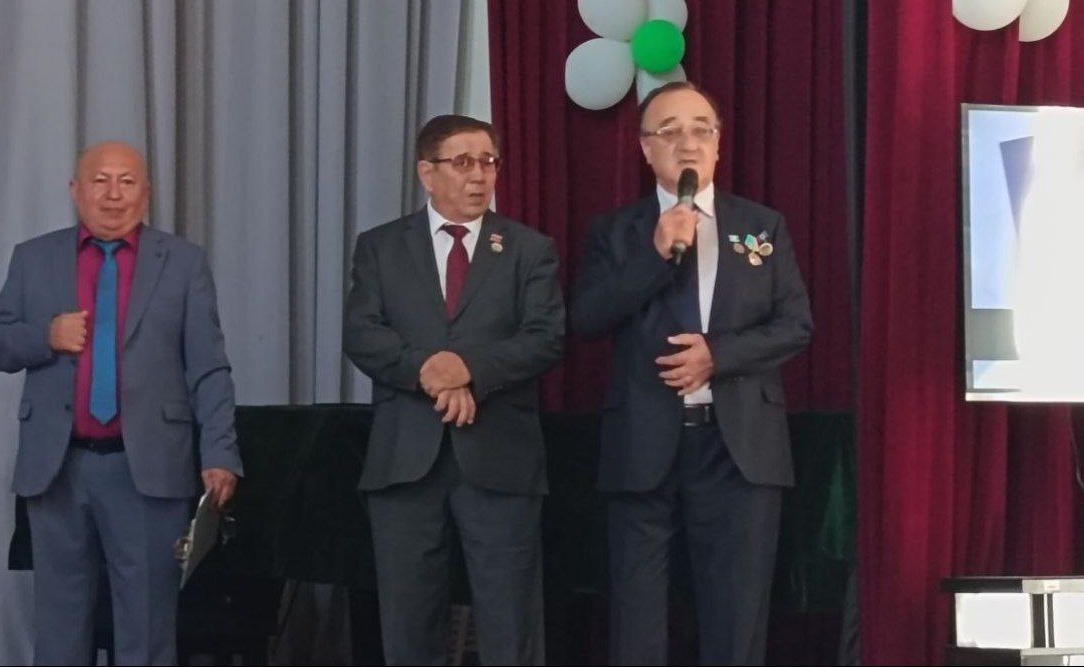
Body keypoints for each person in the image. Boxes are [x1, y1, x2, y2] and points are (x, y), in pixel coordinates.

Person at [571, 82, 812, 666]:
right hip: (643, 441)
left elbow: (796, 326)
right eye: (670, 131)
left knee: (736, 618)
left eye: (702, 129)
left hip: (738, 447)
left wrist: (717, 356)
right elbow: (586, 319)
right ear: (645, 148)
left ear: (719, 144)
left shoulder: (762, 226)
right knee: (637, 620)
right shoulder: (615, 231)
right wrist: (654, 255)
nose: (688, 143)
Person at [0, 141, 242, 666]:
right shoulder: (34, 257)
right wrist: (44, 336)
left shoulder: (183, 262)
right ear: (76, 190)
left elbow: (209, 368)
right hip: (58, 468)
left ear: (146, 193)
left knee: (147, 626)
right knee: (59, 627)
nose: (114, 194)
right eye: (101, 180)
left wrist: (220, 452)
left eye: (127, 181)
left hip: (147, 468)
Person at [343, 114, 565, 665]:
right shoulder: (381, 247)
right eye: (463, 162)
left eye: (488, 162)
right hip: (405, 462)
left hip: (500, 461)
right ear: (427, 172)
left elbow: (545, 337)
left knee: (509, 622)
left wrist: (468, 369)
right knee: (409, 623)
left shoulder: (528, 248)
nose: (479, 175)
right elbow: (362, 333)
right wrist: (429, 370)